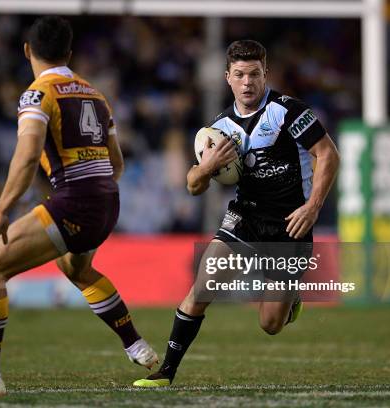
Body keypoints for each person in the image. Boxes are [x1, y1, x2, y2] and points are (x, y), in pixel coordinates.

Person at [0, 16, 157, 398]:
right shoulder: (94, 93)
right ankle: (136, 344)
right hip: (107, 201)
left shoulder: (37, 94)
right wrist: (94, 194)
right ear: (69, 54)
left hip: (76, 201)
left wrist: (1, 210)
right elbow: (117, 162)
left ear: (27, 51)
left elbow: (25, 159)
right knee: (76, 269)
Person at [133, 39, 340, 387]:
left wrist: (313, 205)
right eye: (240, 74)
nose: (248, 82)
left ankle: (290, 302)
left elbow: (328, 154)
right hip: (244, 218)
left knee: (270, 324)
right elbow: (193, 186)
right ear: (228, 77)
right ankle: (166, 372)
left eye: (255, 74)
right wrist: (205, 167)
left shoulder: (288, 111)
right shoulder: (219, 129)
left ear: (265, 74)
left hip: (290, 225)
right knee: (202, 287)